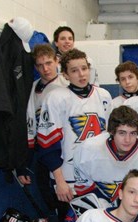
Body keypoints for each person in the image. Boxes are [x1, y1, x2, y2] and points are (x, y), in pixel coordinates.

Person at [37, 48, 112, 212]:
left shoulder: (104, 96)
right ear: (65, 74)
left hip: (100, 175)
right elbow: (47, 145)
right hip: (69, 177)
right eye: (74, 70)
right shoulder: (56, 98)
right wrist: (59, 181)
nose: (81, 74)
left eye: (84, 68)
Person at [73, 105, 138, 204]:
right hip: (102, 208)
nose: (127, 140)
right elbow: (83, 189)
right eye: (122, 133)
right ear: (111, 131)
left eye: (132, 133)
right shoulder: (88, 150)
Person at [18, 44, 68, 220]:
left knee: (63, 187)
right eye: (40, 65)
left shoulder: (66, 85)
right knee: (44, 187)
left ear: (57, 61)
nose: (45, 69)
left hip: (62, 146)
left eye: (48, 63)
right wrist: (25, 162)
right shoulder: (33, 87)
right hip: (42, 147)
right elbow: (30, 125)